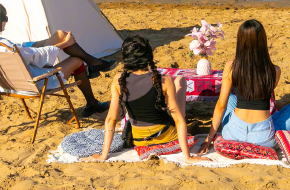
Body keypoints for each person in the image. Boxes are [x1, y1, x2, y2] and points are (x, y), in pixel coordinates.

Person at [0, 2, 116, 130]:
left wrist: (50, 42)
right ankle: (92, 97)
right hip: (37, 81)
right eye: (5, 18)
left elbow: (24, 51)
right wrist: (63, 45)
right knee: (77, 59)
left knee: (59, 35)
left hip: (8, 84)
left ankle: (93, 66)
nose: (6, 22)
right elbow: (32, 56)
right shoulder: (5, 46)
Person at [81, 35, 209, 163]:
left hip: (140, 141)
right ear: (148, 56)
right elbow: (178, 119)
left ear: (126, 58)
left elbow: (111, 119)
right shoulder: (164, 80)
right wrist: (187, 157)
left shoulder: (119, 81)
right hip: (166, 137)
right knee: (180, 81)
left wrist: (104, 155)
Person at [198, 20, 290, 153]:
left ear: (240, 42)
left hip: (232, 135)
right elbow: (264, 97)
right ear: (263, 41)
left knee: (228, 99)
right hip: (264, 139)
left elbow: (221, 105)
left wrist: (209, 138)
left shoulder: (232, 67)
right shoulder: (274, 70)